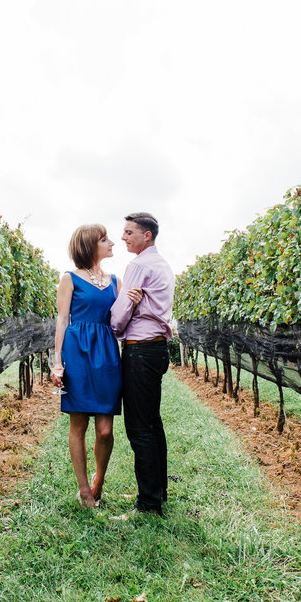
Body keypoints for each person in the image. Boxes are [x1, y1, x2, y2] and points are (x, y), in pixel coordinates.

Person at [51, 224, 134, 508]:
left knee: (105, 430)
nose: (112, 242)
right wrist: (57, 362)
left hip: (107, 353)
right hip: (77, 352)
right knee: (79, 423)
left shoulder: (116, 281)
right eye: (104, 239)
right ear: (89, 245)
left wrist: (133, 303)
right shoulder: (69, 278)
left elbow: (122, 319)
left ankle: (99, 479)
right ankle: (85, 491)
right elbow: (62, 321)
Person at [110, 212, 175, 516]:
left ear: (146, 235)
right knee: (152, 421)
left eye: (128, 232)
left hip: (139, 352)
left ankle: (148, 504)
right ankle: (157, 491)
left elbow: (120, 314)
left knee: (139, 427)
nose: (123, 237)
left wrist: (113, 325)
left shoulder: (137, 265)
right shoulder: (162, 264)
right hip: (157, 350)